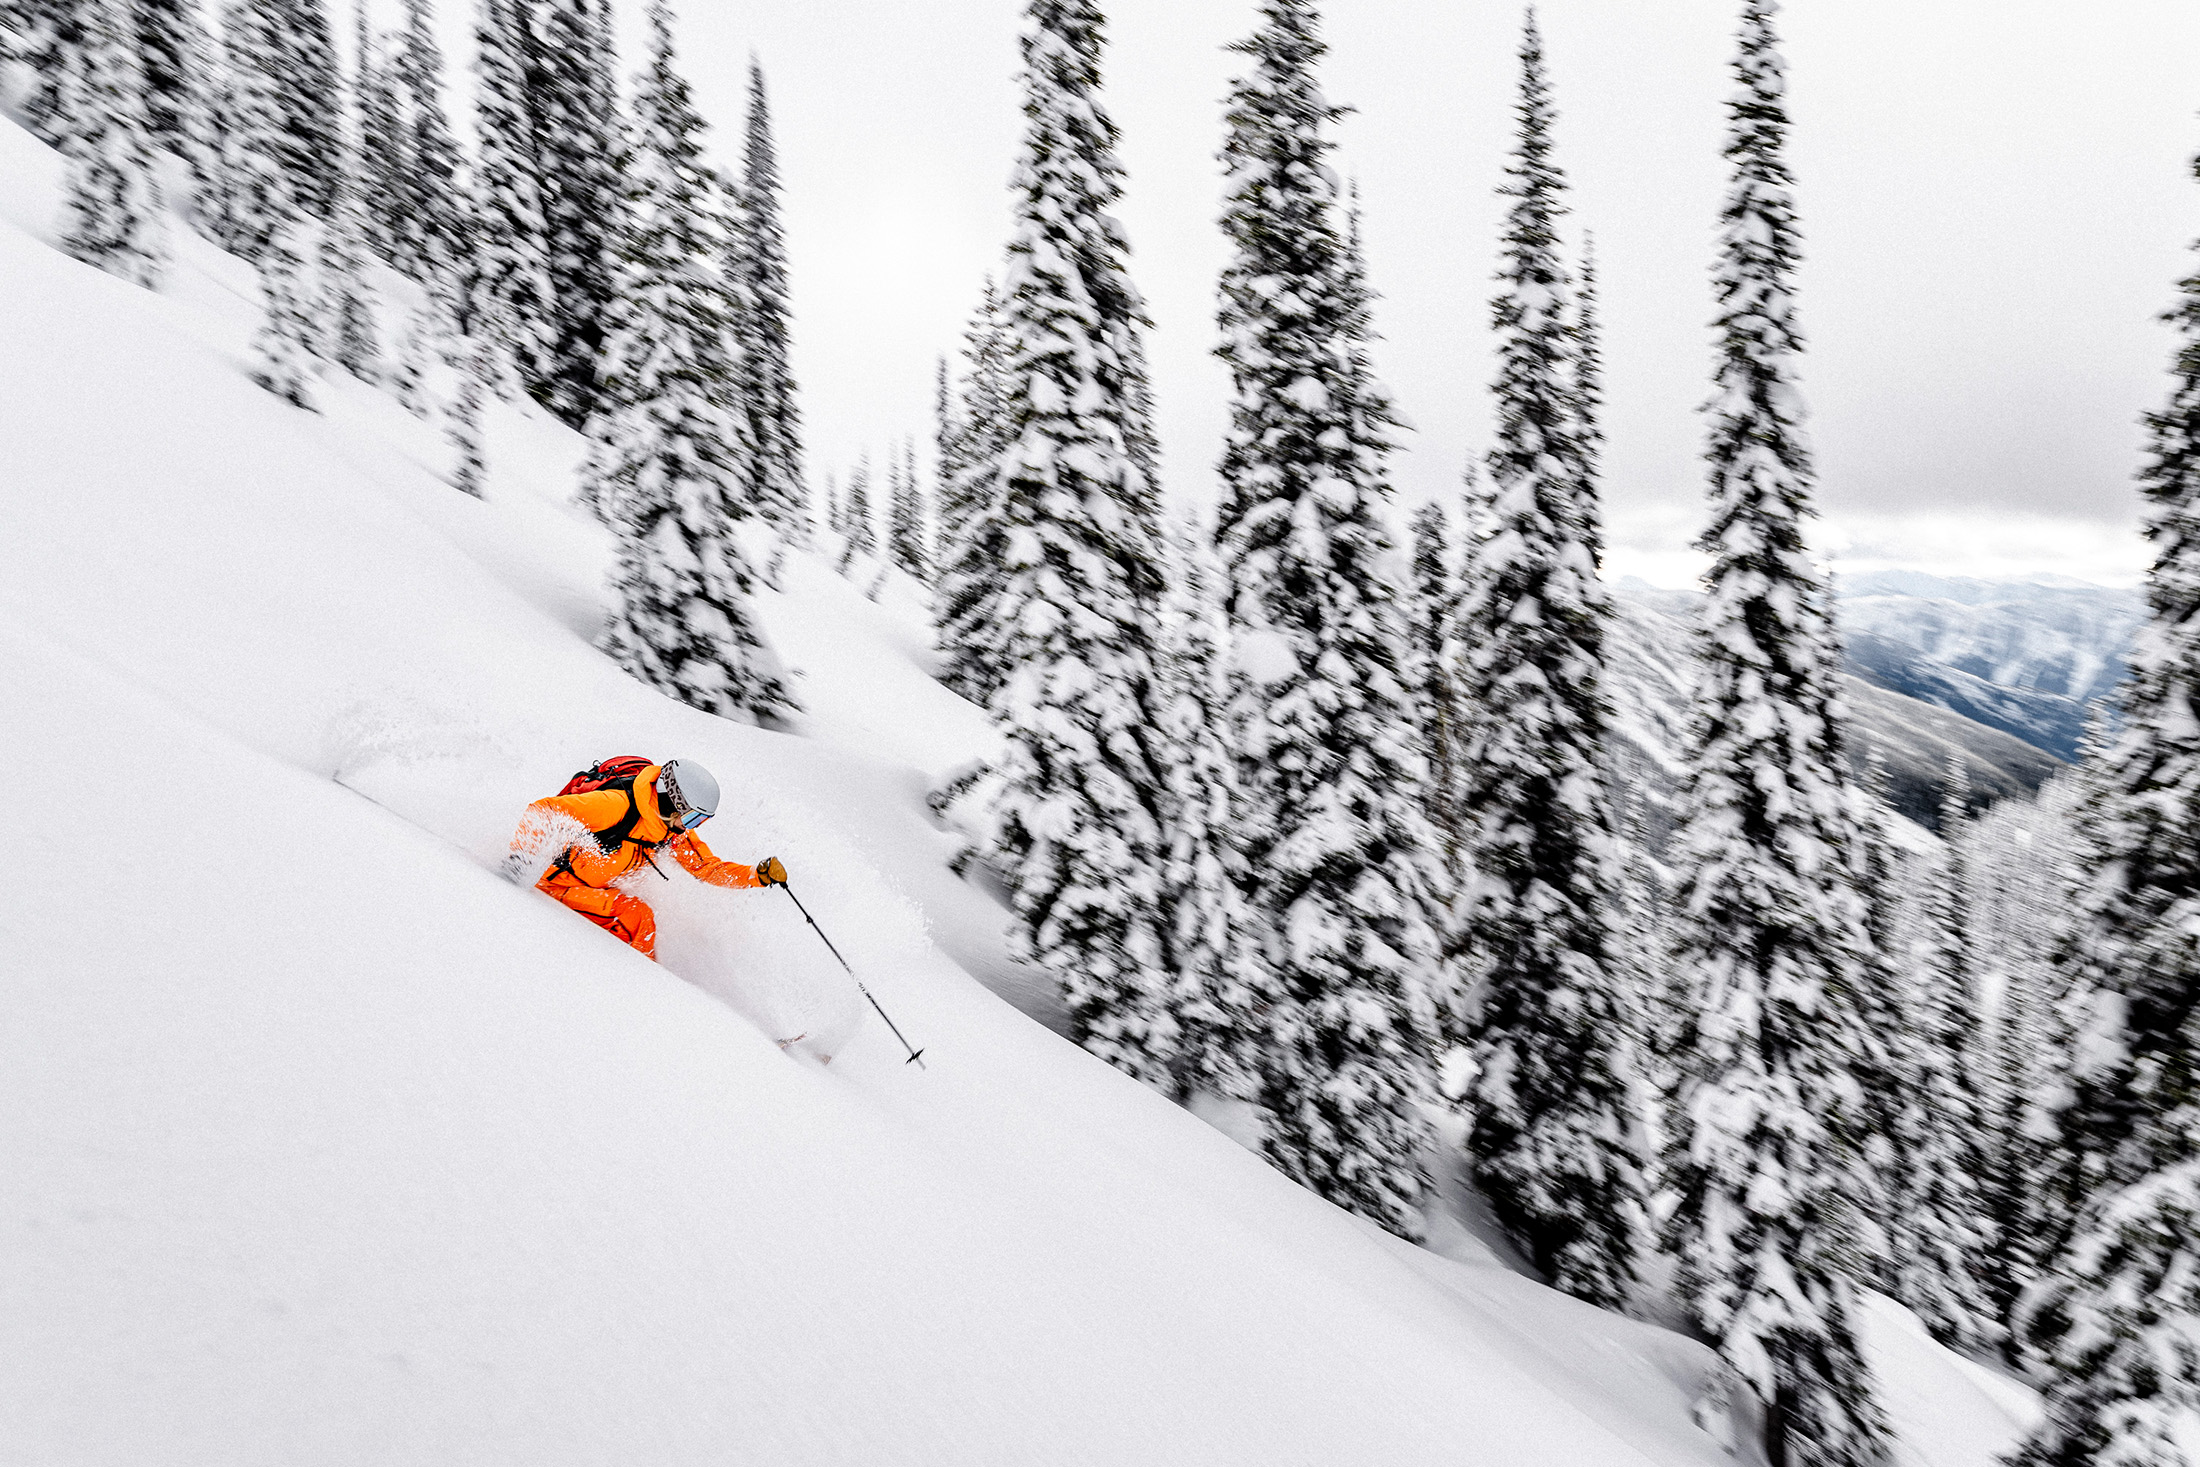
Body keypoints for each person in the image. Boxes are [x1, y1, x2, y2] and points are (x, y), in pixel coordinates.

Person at [507, 757, 787, 961]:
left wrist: (756, 876)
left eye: (700, 821)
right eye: (692, 817)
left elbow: (705, 867)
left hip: (591, 886)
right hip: (553, 885)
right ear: (673, 802)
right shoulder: (616, 806)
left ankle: (642, 979)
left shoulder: (669, 829)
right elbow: (543, 811)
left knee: (640, 917)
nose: (692, 826)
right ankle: (638, 986)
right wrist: (518, 864)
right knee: (636, 916)